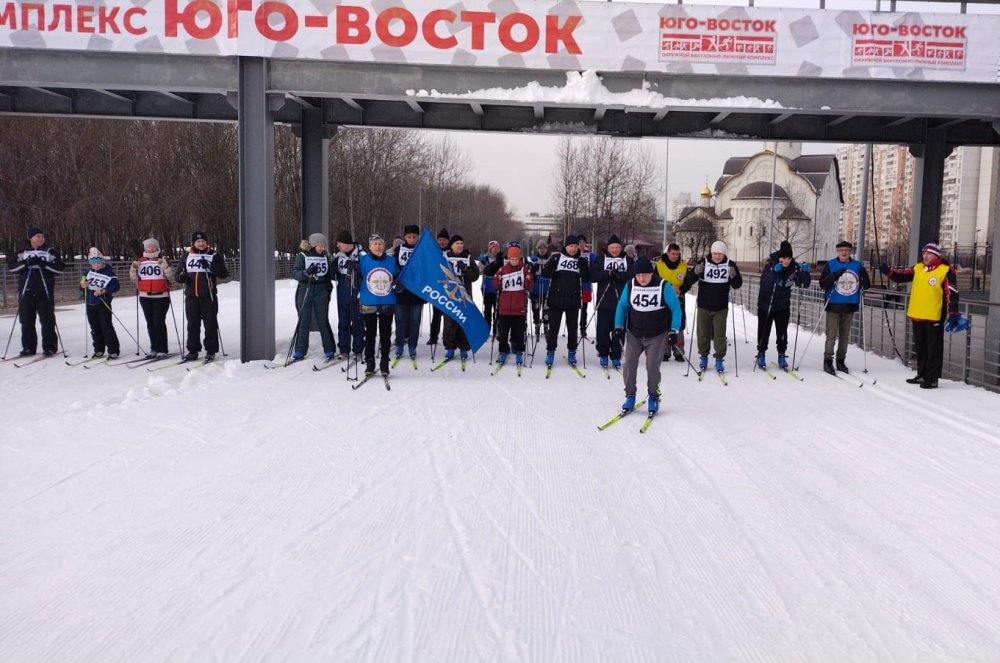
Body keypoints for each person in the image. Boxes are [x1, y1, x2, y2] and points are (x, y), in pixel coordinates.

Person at [880, 242, 963, 389]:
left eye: (929, 253)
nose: (925, 255)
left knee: (933, 349)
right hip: (917, 314)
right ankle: (922, 374)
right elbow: (902, 276)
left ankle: (932, 378)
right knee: (921, 347)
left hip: (934, 316)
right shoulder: (918, 268)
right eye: (924, 253)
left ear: (936, 255)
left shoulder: (946, 270)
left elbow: (952, 293)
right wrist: (889, 272)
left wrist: (953, 312)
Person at [613, 257, 682, 414]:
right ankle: (630, 395)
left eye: (645, 274)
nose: (641, 278)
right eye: (638, 275)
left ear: (651, 273)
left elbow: (676, 307)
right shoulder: (630, 285)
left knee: (652, 367)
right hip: (634, 333)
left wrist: (674, 330)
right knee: (629, 364)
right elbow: (622, 306)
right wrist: (618, 325)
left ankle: (653, 395)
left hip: (656, 335)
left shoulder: (662, 285)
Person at [682, 240, 742, 373]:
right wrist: (695, 272)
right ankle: (703, 356)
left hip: (720, 307)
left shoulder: (730, 265)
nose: (717, 256)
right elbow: (689, 280)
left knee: (719, 334)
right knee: (703, 333)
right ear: (711, 253)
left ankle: (719, 358)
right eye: (715, 253)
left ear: (724, 254)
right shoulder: (703, 263)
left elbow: (737, 285)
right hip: (704, 305)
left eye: (720, 254)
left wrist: (734, 275)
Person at [7, 227, 66, 357]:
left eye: (42, 236)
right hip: (26, 291)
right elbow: (12, 268)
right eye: (37, 236)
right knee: (26, 320)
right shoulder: (21, 252)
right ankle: (28, 347)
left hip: (44, 290)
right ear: (30, 238)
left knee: (47, 320)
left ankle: (50, 347)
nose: (40, 238)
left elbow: (60, 269)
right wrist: (26, 263)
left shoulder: (50, 252)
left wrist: (43, 264)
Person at [755, 241, 810, 371]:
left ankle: (781, 354)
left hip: (782, 306)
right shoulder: (770, 265)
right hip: (766, 304)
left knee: (782, 332)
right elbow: (765, 283)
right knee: (764, 331)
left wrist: (805, 274)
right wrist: (775, 272)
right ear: (779, 257)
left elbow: (803, 284)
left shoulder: (794, 268)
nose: (786, 261)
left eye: (788, 258)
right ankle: (761, 353)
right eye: (783, 258)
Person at [175, 230, 229, 361]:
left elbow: (223, 273)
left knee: (210, 323)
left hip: (208, 295)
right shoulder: (186, 256)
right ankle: (193, 350)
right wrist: (181, 277)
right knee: (192, 324)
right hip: (191, 295)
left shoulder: (214, 255)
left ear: (206, 242)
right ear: (194, 243)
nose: (200, 243)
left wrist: (210, 266)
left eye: (203, 241)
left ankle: (211, 350)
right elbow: (178, 274)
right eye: (198, 241)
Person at [818, 240, 870, 375]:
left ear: (851, 252)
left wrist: (864, 278)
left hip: (850, 304)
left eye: (847, 250)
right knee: (832, 335)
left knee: (845, 336)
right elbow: (822, 284)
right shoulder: (830, 265)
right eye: (841, 250)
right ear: (837, 252)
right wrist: (834, 275)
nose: (844, 252)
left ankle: (841, 360)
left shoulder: (857, 266)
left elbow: (866, 285)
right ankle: (828, 360)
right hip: (834, 304)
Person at [541, 234, 591, 368]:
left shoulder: (581, 260)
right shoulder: (557, 257)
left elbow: (587, 279)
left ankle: (572, 352)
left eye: (575, 246)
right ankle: (550, 352)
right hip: (555, 299)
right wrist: (550, 264)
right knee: (553, 329)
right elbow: (545, 274)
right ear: (566, 247)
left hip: (573, 299)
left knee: (572, 328)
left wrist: (584, 267)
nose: (573, 249)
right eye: (571, 246)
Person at [356, 234, 398, 376]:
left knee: (386, 335)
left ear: (384, 246)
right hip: (369, 301)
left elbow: (398, 277)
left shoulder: (391, 260)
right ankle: (370, 361)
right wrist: (352, 273)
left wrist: (399, 284)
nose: (378, 246)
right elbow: (355, 280)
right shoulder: (362, 260)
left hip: (387, 301)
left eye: (380, 244)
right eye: (375, 244)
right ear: (369, 246)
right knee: (370, 334)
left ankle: (384, 362)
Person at [291, 233, 336, 361]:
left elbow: (328, 275)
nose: (322, 248)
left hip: (321, 290)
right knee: (303, 320)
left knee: (322, 320)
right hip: (306, 289)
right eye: (320, 246)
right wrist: (305, 273)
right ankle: (300, 350)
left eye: (324, 246)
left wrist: (328, 289)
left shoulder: (325, 257)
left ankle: (329, 349)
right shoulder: (302, 256)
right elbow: (295, 273)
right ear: (313, 245)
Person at [130, 238, 175, 359]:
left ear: (157, 248)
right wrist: (134, 268)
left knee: (158, 322)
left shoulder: (163, 260)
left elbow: (171, 277)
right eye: (148, 247)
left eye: (153, 247)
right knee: (150, 323)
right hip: (145, 296)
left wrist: (165, 267)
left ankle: (162, 349)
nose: (150, 249)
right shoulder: (140, 261)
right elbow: (134, 278)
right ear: (144, 249)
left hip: (161, 295)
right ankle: (154, 348)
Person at [592, 234, 632, 370]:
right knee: (602, 330)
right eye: (612, 247)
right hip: (604, 300)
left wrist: (620, 276)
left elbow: (633, 275)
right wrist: (607, 274)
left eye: (617, 247)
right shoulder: (601, 259)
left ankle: (616, 355)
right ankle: (603, 353)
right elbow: (593, 275)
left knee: (619, 329)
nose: (614, 250)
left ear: (621, 248)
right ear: (608, 248)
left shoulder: (627, 259)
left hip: (621, 301)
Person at [492, 245, 533, 368]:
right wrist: (497, 279)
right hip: (504, 307)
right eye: (512, 258)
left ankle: (519, 351)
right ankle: (503, 350)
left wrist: (529, 277)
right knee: (503, 332)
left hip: (519, 307)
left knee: (519, 332)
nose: (514, 261)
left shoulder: (524, 269)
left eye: (516, 258)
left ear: (520, 258)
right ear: (509, 258)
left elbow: (529, 286)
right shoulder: (503, 269)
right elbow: (496, 285)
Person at [442, 234, 480, 362]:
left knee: (464, 321)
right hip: (449, 294)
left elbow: (475, 276)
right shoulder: (445, 256)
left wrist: (465, 268)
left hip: (464, 295)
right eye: (457, 243)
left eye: (461, 243)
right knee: (449, 321)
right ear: (451, 245)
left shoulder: (468, 258)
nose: (460, 246)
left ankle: (464, 348)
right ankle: (450, 348)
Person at [79, 247, 121, 359]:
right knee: (94, 328)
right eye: (93, 263)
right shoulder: (87, 272)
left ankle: (113, 350)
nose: (96, 265)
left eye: (98, 262)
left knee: (106, 327)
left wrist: (104, 290)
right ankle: (99, 349)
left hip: (103, 303)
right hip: (90, 304)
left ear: (102, 261)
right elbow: (82, 286)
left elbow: (116, 286)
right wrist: (83, 286)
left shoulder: (109, 272)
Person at [393, 224, 424, 362]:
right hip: (401, 291)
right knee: (400, 319)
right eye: (409, 237)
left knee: (415, 320)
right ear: (405, 237)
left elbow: (426, 268)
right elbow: (393, 266)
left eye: (414, 237)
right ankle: (399, 344)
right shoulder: (398, 249)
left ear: (418, 237)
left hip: (416, 291)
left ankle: (412, 345)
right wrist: (395, 278)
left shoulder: (421, 249)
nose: (411, 239)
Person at [333, 230, 364, 361]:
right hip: (343, 294)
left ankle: (358, 349)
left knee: (357, 323)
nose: (338, 246)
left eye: (340, 243)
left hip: (357, 294)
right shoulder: (339, 256)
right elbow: (332, 273)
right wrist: (331, 270)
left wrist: (357, 271)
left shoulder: (361, 255)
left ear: (346, 243)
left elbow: (368, 274)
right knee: (343, 323)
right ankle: (344, 349)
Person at [654, 243, 688, 362]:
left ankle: (678, 351)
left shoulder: (683, 266)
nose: (675, 256)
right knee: (664, 323)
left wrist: (681, 289)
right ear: (667, 253)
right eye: (672, 253)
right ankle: (665, 351)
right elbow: (655, 280)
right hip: (663, 298)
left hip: (679, 298)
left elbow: (687, 282)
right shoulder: (659, 265)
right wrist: (669, 287)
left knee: (678, 323)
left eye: (677, 254)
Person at [426, 227, 451, 346]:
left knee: (449, 315)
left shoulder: (451, 252)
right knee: (436, 314)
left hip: (450, 287)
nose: (441, 242)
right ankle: (433, 336)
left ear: (448, 241)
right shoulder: (434, 251)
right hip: (437, 286)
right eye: (440, 240)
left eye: (444, 240)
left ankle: (449, 338)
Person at [527, 240, 551, 340]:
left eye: (544, 248)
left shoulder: (550, 259)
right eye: (540, 248)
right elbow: (529, 272)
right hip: (535, 290)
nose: (542, 250)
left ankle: (546, 327)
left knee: (546, 311)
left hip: (546, 290)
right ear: (537, 249)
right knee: (536, 310)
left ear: (546, 249)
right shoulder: (533, 259)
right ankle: (537, 326)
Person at [479, 240, 502, 336]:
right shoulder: (485, 258)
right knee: (487, 309)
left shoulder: (500, 258)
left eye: (497, 247)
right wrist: (484, 266)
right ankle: (487, 328)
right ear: (490, 248)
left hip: (498, 286)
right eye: (493, 247)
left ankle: (496, 329)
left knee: (497, 308)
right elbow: (479, 271)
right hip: (487, 286)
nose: (495, 249)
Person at [578, 234, 595, 340]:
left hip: (586, 284)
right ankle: (573, 327)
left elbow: (596, 264)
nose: (581, 244)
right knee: (574, 307)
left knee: (584, 308)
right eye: (579, 242)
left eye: (583, 242)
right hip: (575, 283)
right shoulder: (573, 253)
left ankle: (583, 327)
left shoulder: (590, 254)